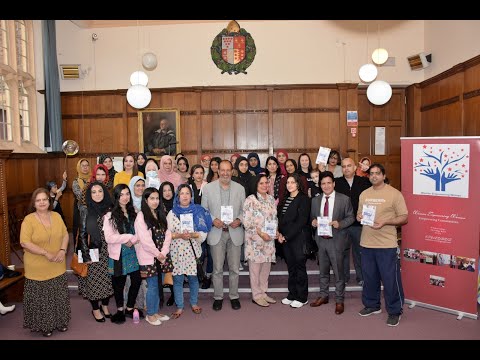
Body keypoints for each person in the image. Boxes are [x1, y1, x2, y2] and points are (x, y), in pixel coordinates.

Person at [357, 163, 408, 327]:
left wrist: (386, 221)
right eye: (371, 173)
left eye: (377, 173)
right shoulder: (364, 194)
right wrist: (359, 217)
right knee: (369, 277)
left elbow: (404, 217)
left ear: (383, 175)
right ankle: (372, 305)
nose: (374, 176)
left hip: (387, 245)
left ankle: (394, 311)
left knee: (391, 280)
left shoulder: (395, 194)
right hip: (366, 243)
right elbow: (359, 213)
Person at [20, 188, 70, 337]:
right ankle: (44, 325)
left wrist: (62, 250)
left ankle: (60, 321)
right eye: (38, 200)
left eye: (45, 199)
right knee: (41, 299)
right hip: (37, 266)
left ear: (49, 201)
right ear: (34, 203)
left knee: (58, 296)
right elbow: (24, 243)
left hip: (57, 263)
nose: (42, 202)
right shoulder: (28, 220)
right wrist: (45, 253)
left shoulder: (56, 216)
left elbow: (65, 234)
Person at [201, 160, 246, 311]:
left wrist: (239, 220)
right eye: (223, 170)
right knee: (217, 269)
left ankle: (234, 296)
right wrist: (213, 220)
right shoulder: (208, 188)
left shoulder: (240, 189)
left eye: (228, 170)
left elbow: (244, 210)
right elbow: (204, 210)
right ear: (218, 171)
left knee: (234, 269)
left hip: (234, 232)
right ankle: (218, 297)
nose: (225, 173)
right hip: (216, 233)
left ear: (232, 171)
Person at [310, 171, 354, 315]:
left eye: (329, 183)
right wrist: (313, 222)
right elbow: (311, 218)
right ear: (320, 185)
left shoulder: (344, 199)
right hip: (321, 241)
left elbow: (351, 218)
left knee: (338, 273)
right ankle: (324, 296)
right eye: (323, 183)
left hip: (337, 241)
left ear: (334, 184)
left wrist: (339, 224)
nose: (326, 186)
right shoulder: (315, 200)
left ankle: (339, 300)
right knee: (323, 272)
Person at [167, 184, 212, 319]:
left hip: (192, 251)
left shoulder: (198, 211)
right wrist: (179, 235)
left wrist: (193, 235)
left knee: (193, 278)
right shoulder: (172, 213)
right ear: (178, 196)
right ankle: (180, 306)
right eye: (182, 194)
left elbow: (203, 234)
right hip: (176, 252)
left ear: (191, 196)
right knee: (178, 279)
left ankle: (193, 303)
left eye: (187, 193)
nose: (185, 196)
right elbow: (167, 234)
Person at [103, 184, 143, 324]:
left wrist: (134, 239)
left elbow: (141, 233)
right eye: (121, 195)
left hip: (134, 252)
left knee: (136, 280)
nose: (125, 197)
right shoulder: (110, 216)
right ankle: (120, 309)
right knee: (118, 284)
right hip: (118, 254)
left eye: (127, 194)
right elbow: (109, 238)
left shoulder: (135, 212)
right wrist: (127, 238)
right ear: (116, 197)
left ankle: (130, 308)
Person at [134, 187, 172, 326]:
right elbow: (145, 241)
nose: (155, 201)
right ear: (146, 200)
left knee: (159, 285)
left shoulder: (160, 213)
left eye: (157, 198)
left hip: (162, 255)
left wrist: (164, 252)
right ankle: (150, 314)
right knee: (153, 286)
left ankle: (155, 311)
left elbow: (168, 233)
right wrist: (158, 254)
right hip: (149, 257)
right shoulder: (141, 216)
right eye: (152, 198)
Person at [78, 181, 114, 322]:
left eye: (100, 191)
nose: (97, 194)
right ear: (89, 194)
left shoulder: (110, 207)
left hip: (109, 249)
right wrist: (86, 255)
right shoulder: (85, 209)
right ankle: (95, 309)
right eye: (93, 192)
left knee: (108, 280)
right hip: (92, 250)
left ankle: (105, 306)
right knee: (93, 281)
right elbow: (81, 234)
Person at [334, 157, 371, 286]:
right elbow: (324, 184)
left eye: (349, 166)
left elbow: (379, 179)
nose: (346, 168)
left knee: (360, 252)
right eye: (343, 166)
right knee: (342, 252)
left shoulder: (364, 182)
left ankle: (361, 277)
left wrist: (369, 169)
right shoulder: (336, 182)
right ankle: (343, 278)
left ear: (355, 168)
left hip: (358, 224)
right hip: (342, 224)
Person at [242, 174, 278, 307]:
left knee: (265, 269)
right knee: (255, 270)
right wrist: (261, 234)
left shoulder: (270, 199)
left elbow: (274, 219)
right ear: (256, 185)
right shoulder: (250, 200)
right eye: (261, 183)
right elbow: (247, 222)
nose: (264, 185)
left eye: (266, 183)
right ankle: (256, 295)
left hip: (269, 241)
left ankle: (263, 293)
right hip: (255, 241)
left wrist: (276, 231)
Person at [277, 173, 311, 308]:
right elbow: (280, 218)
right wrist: (279, 233)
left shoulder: (303, 199)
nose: (290, 185)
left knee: (299, 267)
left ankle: (302, 297)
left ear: (298, 184)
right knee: (291, 267)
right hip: (285, 239)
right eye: (288, 183)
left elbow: (301, 221)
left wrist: (286, 236)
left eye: (292, 182)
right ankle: (292, 294)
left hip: (298, 238)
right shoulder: (284, 199)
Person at [159, 181, 176, 306]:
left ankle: (175, 294)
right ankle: (165, 295)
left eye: (169, 190)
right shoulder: (158, 206)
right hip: (163, 242)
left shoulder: (178, 204)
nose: (167, 193)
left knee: (174, 269)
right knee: (166, 269)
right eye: (164, 190)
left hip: (177, 241)